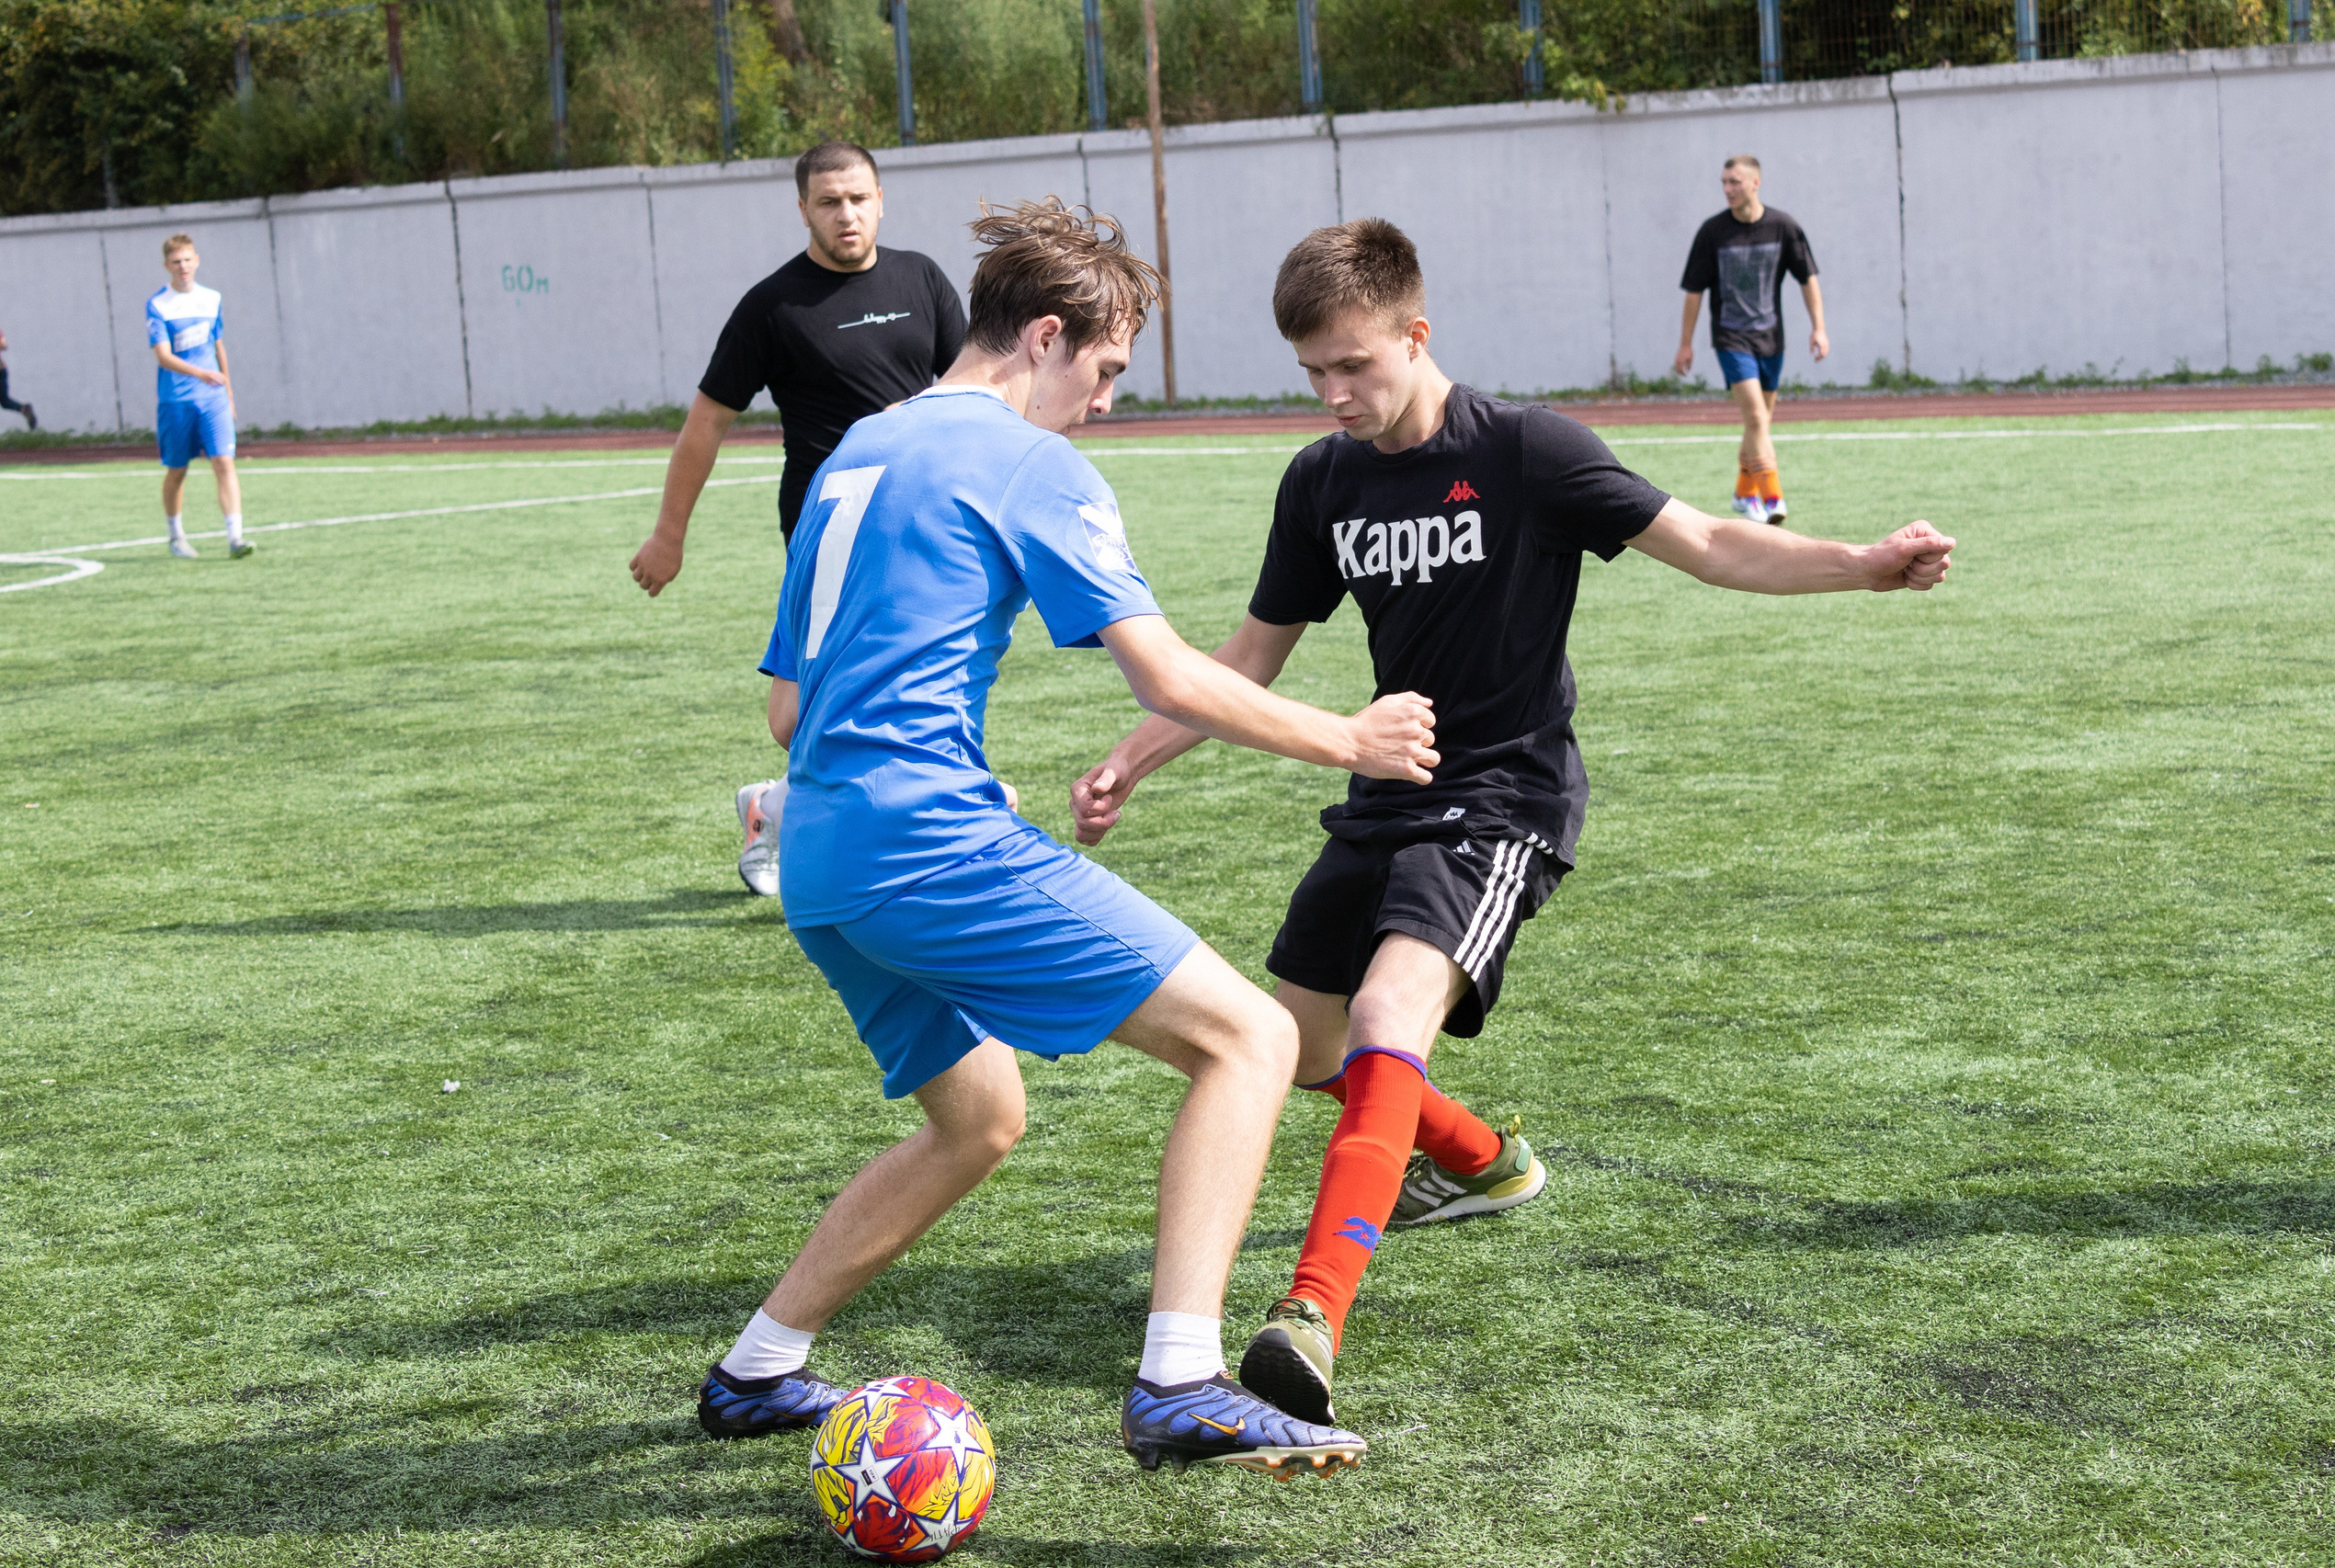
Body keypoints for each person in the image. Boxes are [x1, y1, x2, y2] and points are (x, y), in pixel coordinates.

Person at [1071, 218, 1951, 1429]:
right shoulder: (1323, 480)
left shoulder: (1527, 449)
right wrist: (1136, 753)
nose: (1333, 394)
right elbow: (1253, 656)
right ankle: (1483, 1160)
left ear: (1415, 335)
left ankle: (1311, 1314)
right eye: (1312, 371)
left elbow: (1704, 543)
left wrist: (1861, 562)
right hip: (1382, 793)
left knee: (1388, 1016)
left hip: (1501, 800)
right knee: (1302, 1049)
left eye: (1354, 365)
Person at [694, 199, 1443, 1481]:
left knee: (977, 1119)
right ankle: (1180, 1380)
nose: (1101, 404)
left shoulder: (860, 451)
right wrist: (1351, 739)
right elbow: (1168, 679)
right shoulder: (1027, 461)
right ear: (1045, 337)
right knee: (1251, 1035)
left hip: (820, 857)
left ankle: (758, 1365)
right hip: (931, 844)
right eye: (1102, 371)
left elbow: (785, 704)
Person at [627, 141, 967, 900]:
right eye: (828, 202)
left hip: (921, 523)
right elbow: (706, 424)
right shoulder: (773, 306)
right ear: (804, 208)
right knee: (803, 714)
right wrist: (669, 536)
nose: (846, 215)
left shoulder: (923, 279)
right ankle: (796, 813)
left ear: (881, 198)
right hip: (829, 533)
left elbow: (966, 396)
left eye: (858, 198)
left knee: (894, 691)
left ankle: (807, 815)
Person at [1672, 155, 1828, 525]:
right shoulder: (1712, 232)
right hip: (1730, 338)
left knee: (1759, 423)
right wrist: (1685, 343)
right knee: (1757, 417)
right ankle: (1772, 499)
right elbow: (1694, 292)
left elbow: (1808, 278)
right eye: (1724, 182)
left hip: (1772, 339)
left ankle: (1743, 493)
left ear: (1756, 183)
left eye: (1735, 182)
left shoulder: (1783, 226)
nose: (1728, 189)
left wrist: (1818, 327)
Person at [148, 234, 252, 559]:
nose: (183, 267)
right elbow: (163, 356)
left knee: (223, 461)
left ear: (197, 261)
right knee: (178, 469)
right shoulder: (158, 305)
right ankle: (175, 535)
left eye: (188, 260)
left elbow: (218, 346)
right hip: (177, 401)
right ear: (167, 265)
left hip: (213, 400)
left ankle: (236, 538)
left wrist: (229, 394)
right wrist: (200, 374)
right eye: (176, 262)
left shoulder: (211, 299)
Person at [0, 326, 35, 430]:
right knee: (5, 402)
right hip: (2, 370)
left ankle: (25, 410)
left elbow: (3, 346)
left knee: (5, 402)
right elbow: (4, 345)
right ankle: (24, 409)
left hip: (1, 371)